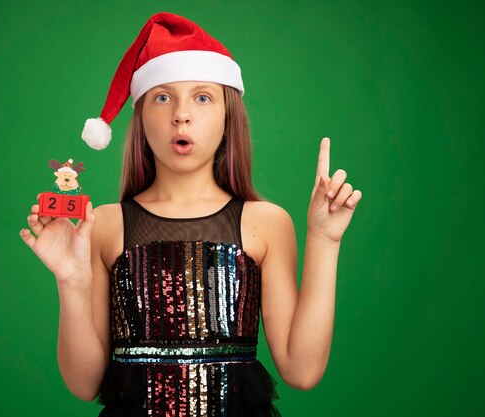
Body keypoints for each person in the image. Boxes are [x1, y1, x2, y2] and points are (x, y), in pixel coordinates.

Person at [19, 12, 362, 417]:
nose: (181, 114)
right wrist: (72, 282)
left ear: (226, 116)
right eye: (163, 97)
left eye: (202, 97)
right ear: (141, 116)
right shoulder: (104, 224)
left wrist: (325, 240)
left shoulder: (267, 222)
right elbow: (85, 383)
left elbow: (302, 371)